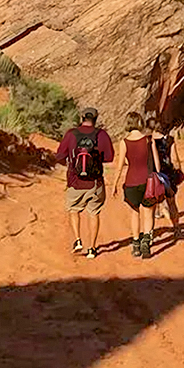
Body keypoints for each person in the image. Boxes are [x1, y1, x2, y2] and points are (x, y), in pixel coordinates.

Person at [55, 107, 114, 259]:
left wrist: (71, 164)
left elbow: (60, 156)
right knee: (94, 213)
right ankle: (92, 249)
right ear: (95, 119)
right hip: (95, 183)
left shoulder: (71, 134)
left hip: (75, 181)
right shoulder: (102, 135)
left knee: (74, 210)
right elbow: (109, 157)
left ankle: (78, 240)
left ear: (81, 118)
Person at [114, 111, 168, 258]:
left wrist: (114, 184)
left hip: (131, 181)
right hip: (148, 180)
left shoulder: (124, 142)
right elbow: (157, 163)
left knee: (134, 212)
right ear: (140, 123)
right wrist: (159, 176)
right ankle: (146, 242)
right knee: (149, 212)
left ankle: (136, 243)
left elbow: (120, 166)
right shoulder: (148, 140)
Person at [154, 116, 184, 237]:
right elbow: (175, 159)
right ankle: (177, 228)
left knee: (152, 206)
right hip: (168, 175)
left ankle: (150, 232)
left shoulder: (150, 141)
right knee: (172, 203)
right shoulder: (170, 141)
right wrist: (179, 171)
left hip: (154, 175)